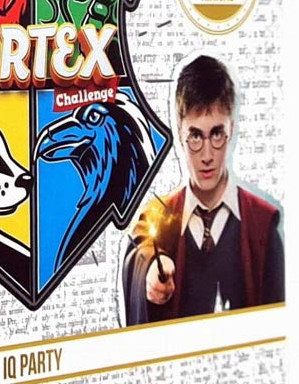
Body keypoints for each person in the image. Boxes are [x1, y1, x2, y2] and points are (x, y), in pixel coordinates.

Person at [121, 55, 284, 325]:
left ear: (231, 129)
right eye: (195, 136)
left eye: (216, 134)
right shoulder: (157, 216)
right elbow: (142, 244)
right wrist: (149, 270)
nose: (207, 155)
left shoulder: (263, 224)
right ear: (179, 132)